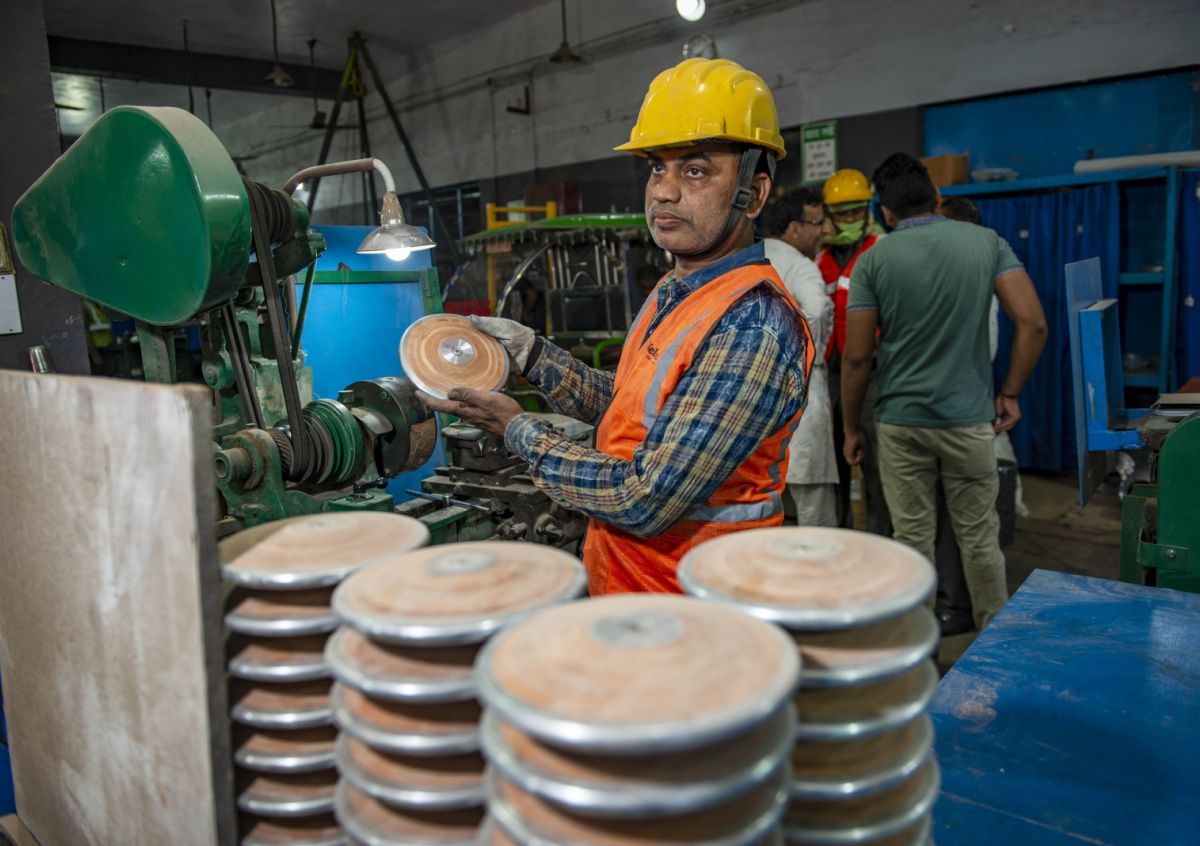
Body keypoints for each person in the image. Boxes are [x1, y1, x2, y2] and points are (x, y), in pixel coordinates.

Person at [418, 58, 814, 595]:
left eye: (695, 171)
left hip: (697, 609)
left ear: (754, 194)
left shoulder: (752, 325)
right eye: (657, 168)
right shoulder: (676, 289)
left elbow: (643, 498)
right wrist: (532, 354)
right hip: (630, 591)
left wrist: (518, 430)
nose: (664, 192)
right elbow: (633, 412)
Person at [842, 153, 1047, 631]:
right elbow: (1033, 325)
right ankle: (995, 646)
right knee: (980, 539)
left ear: (884, 211)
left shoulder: (873, 260)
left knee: (912, 540)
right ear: (936, 196)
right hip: (968, 420)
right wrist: (1010, 394)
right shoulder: (986, 242)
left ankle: (916, 649)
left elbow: (856, 359)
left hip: (900, 421)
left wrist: (852, 427)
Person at [819, 168, 890, 534]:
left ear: (868, 209)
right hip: (830, 373)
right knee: (833, 463)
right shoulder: (820, 257)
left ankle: (881, 538)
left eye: (856, 211)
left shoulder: (883, 249)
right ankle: (841, 536)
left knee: (877, 463)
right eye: (842, 213)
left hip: (872, 375)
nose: (849, 219)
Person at [764, 187, 837, 526]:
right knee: (813, 506)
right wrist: (810, 354)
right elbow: (818, 310)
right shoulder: (801, 266)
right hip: (802, 390)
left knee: (763, 503)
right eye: (817, 223)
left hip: (756, 393)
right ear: (795, 228)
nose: (825, 230)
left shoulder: (751, 256)